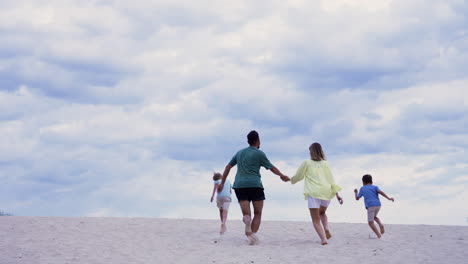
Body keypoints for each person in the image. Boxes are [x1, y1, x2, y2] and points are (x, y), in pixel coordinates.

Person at [217, 130, 290, 245]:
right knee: (258, 213)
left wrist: (222, 183)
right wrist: (281, 175)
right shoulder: (259, 153)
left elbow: (228, 167)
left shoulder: (239, 153)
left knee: (247, 214)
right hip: (255, 185)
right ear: (258, 140)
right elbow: (271, 167)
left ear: (248, 141)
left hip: (240, 186)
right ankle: (252, 235)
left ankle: (247, 221)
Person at [290, 142, 343, 245]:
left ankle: (323, 239)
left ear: (311, 152)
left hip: (314, 192)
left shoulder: (307, 162)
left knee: (315, 219)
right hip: (326, 192)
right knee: (322, 213)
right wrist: (337, 194)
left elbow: (299, 176)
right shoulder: (325, 163)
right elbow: (331, 179)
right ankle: (326, 228)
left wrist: (290, 179)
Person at [354, 174, 394, 238]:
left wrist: (356, 192)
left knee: (370, 222)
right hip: (378, 205)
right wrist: (389, 198)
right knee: (374, 217)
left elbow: (357, 198)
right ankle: (380, 225)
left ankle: (379, 235)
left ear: (363, 182)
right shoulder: (375, 187)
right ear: (371, 181)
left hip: (370, 205)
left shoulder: (362, 188)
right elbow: (381, 192)